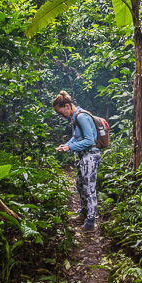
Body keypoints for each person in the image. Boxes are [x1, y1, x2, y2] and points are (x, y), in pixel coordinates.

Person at [53, 91, 100, 231]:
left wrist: (70, 147)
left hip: (90, 155)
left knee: (89, 188)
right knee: (80, 184)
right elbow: (76, 137)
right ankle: (84, 214)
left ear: (67, 106)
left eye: (60, 112)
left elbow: (89, 140)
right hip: (84, 156)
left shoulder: (82, 117)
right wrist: (66, 145)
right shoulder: (75, 118)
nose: (60, 116)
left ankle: (90, 222)